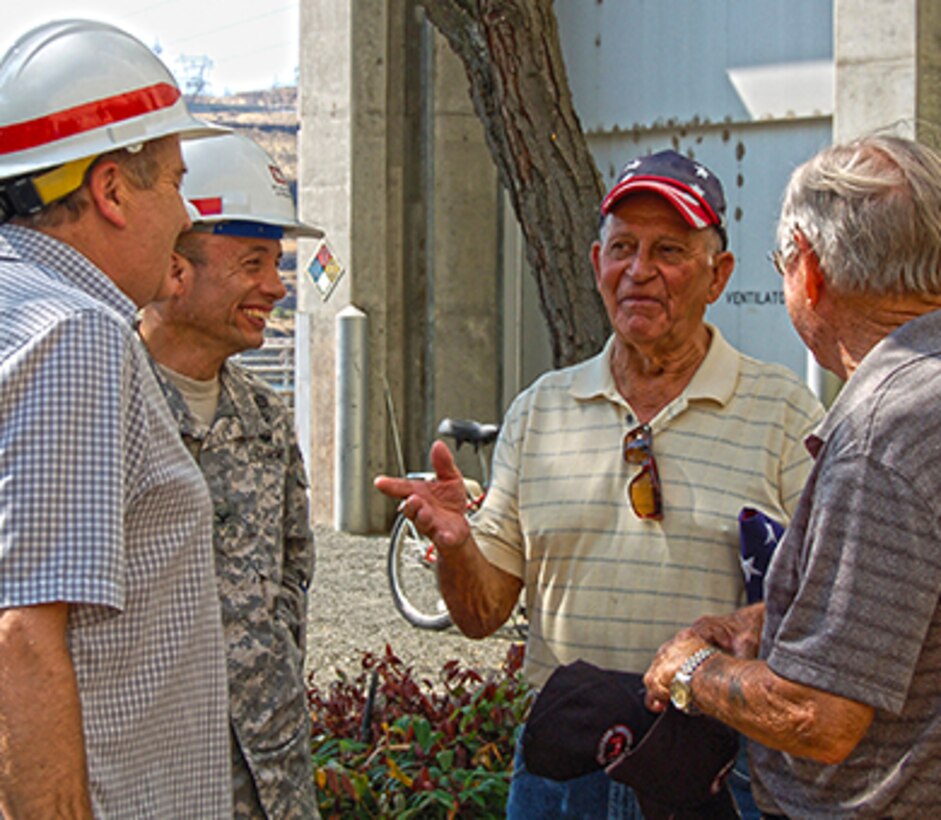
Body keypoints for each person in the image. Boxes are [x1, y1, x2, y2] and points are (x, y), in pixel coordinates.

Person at [376, 149, 824, 817]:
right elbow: (480, 615)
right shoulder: (540, 409)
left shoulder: (784, 412)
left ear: (717, 274)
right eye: (622, 248)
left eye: (668, 250)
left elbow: (825, 598)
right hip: (563, 768)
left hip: (716, 768)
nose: (639, 272)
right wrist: (456, 547)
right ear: (595, 264)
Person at [643, 134, 941, 818]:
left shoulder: (882, 431)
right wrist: (777, 619)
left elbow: (818, 717)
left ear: (807, 270)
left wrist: (688, 668)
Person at [0, 20, 231, 818]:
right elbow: (22, 635)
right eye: (171, 181)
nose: (184, 213)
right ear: (109, 192)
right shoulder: (75, 334)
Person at [138, 132, 323, 819]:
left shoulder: (266, 418)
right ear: (175, 267)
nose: (275, 286)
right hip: (149, 783)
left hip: (271, 781)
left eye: (276, 263)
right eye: (253, 262)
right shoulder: (100, 405)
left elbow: (291, 577)